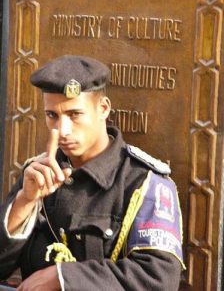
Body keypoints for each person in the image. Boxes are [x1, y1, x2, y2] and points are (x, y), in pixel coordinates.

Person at [0, 55, 184, 291]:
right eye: (52, 115)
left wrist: (63, 278)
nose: (62, 130)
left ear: (103, 109)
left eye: (74, 114)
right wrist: (24, 203)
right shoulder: (39, 172)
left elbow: (158, 278)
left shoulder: (144, 182)